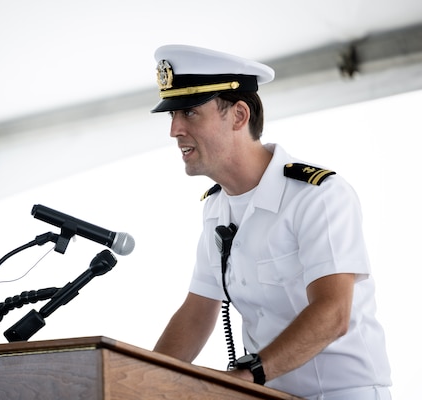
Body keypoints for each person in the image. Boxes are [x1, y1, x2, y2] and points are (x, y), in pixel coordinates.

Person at [150, 45, 392, 400]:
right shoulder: (215, 207)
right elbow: (197, 310)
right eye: (172, 116)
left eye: (189, 112)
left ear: (239, 115)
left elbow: (333, 312)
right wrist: (141, 381)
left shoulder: (317, 196)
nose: (174, 129)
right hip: (269, 394)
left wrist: (248, 375)